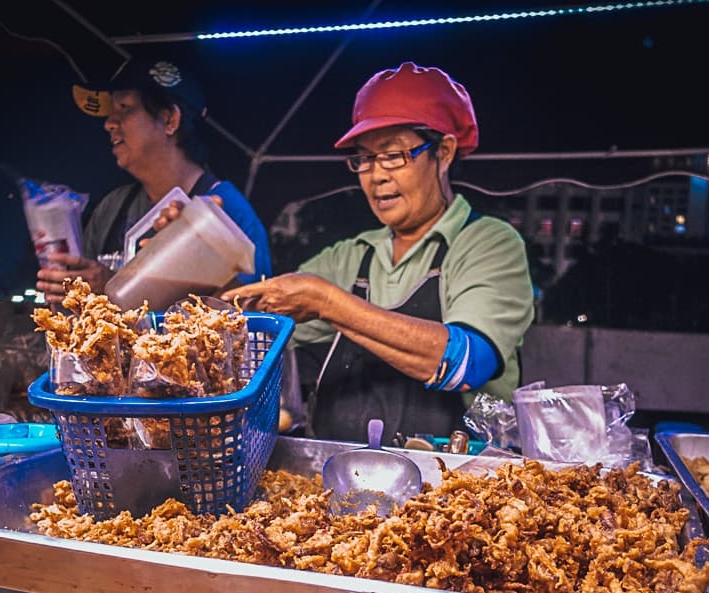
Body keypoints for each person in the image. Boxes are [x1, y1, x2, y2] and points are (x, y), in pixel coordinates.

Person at [221, 62, 534, 443]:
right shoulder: (350, 256)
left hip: (457, 486)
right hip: (338, 478)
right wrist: (202, 260)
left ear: (445, 152)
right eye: (364, 158)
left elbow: (465, 363)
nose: (376, 175)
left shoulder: (488, 242)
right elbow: (250, 325)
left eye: (392, 155)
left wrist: (328, 302)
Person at [36, 53, 271, 304]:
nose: (109, 123)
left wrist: (112, 289)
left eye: (123, 107)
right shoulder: (112, 208)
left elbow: (253, 322)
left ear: (169, 119)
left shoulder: (227, 214)